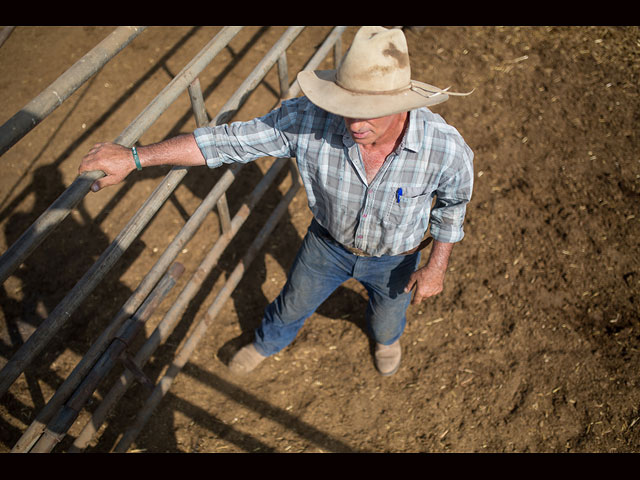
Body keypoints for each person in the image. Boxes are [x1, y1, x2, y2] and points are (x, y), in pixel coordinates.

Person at [79, 26, 474, 377]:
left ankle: (387, 340)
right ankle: (267, 343)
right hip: (327, 245)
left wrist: (436, 266)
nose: (354, 123)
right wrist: (135, 157)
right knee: (291, 303)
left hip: (397, 256)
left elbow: (453, 206)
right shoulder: (309, 118)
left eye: (369, 112)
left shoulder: (444, 148)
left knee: (389, 317)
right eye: (346, 107)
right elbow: (227, 141)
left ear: (401, 104)